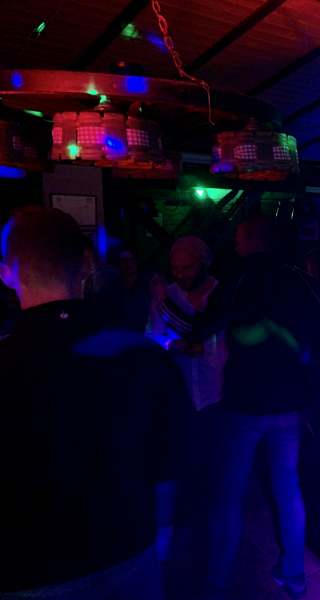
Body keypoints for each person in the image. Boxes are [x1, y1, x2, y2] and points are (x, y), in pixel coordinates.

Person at [0, 207, 192, 599]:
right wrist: (164, 529)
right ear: (88, 264)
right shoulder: (146, 357)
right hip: (128, 552)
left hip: (27, 570)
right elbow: (169, 457)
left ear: (6, 273)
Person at [183, 214, 320, 600]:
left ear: (251, 240)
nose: (234, 246)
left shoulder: (238, 278)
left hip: (246, 403)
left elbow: (202, 327)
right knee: (288, 487)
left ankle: (217, 582)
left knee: (230, 492)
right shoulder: (303, 279)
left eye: (238, 239)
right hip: (291, 403)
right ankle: (295, 575)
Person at [148, 236, 228, 525]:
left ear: (204, 264)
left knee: (215, 459)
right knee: (183, 459)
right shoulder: (165, 295)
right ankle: (187, 518)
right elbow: (151, 336)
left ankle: (212, 515)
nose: (181, 274)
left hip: (215, 390)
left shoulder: (220, 293)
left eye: (188, 268)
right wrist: (172, 345)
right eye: (176, 268)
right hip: (180, 391)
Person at [92, 245, 154, 334]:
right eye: (123, 261)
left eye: (130, 260)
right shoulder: (112, 288)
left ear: (137, 261)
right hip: (120, 336)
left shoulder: (150, 283)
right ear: (117, 264)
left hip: (147, 334)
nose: (127, 264)